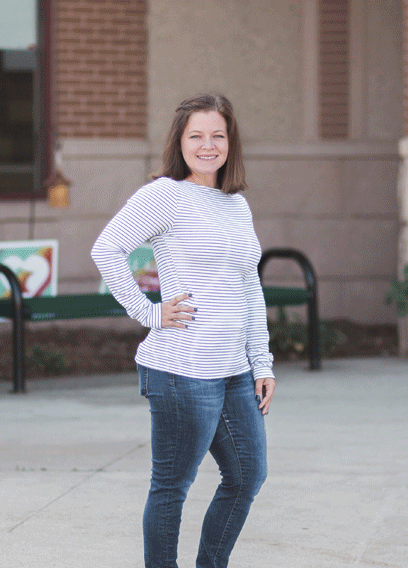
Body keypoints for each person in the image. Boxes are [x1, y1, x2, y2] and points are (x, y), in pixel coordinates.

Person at [91, 93, 274, 568]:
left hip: (233, 370)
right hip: (182, 371)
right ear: (180, 142)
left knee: (248, 475)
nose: (208, 145)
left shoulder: (235, 204)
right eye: (197, 135)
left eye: (218, 135)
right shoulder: (164, 195)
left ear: (230, 142)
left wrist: (263, 362)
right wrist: (149, 312)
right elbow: (107, 250)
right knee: (172, 487)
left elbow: (249, 284)